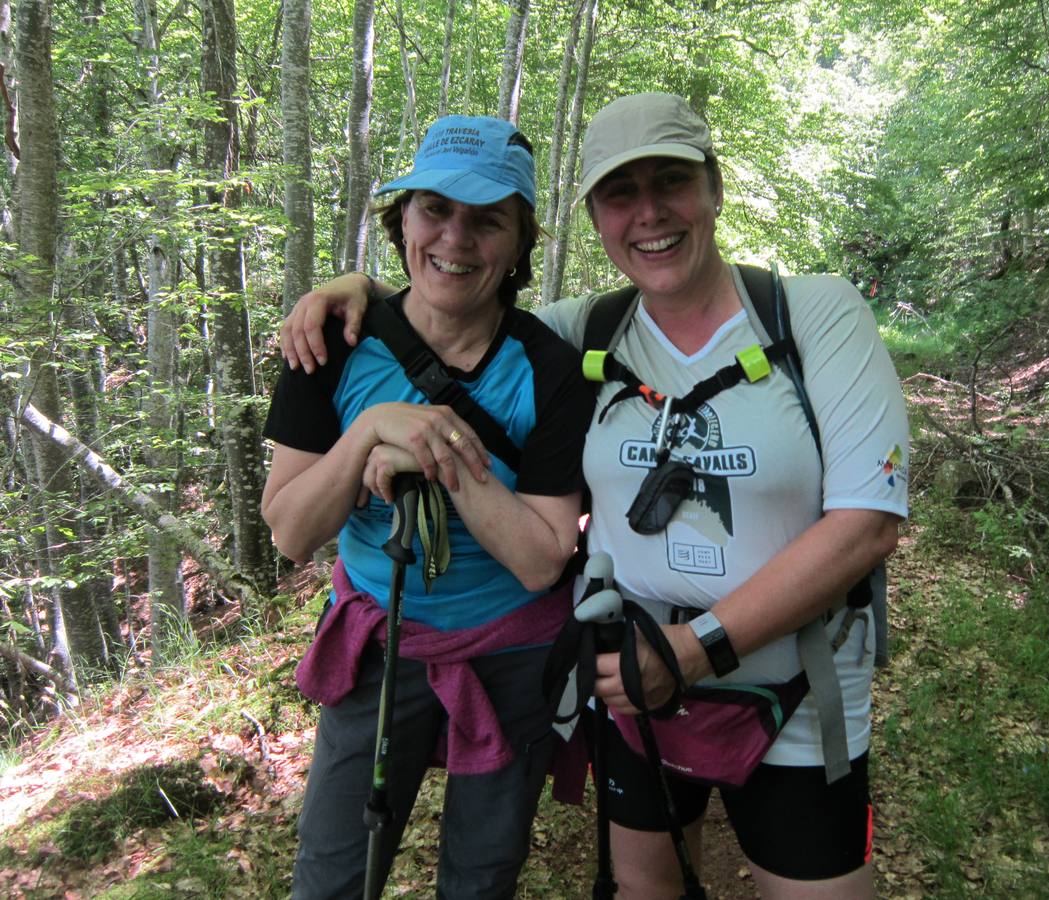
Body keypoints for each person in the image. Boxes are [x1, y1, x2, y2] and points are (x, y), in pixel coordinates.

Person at [280, 93, 909, 899]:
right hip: (630, 682)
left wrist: (693, 653)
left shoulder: (812, 314)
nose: (649, 213)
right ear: (594, 216)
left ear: (714, 186)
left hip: (785, 687)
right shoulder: (589, 331)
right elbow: (447, 305)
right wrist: (352, 289)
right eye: (620, 193)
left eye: (672, 181)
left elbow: (866, 527)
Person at [261, 114, 593, 899]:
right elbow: (290, 530)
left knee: (481, 876)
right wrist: (372, 429)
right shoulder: (332, 345)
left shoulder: (548, 370)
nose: (456, 237)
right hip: (381, 644)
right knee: (332, 877)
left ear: (519, 244)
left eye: (488, 221)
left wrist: (440, 453)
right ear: (401, 219)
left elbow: (543, 557)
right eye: (435, 210)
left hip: (514, 654)